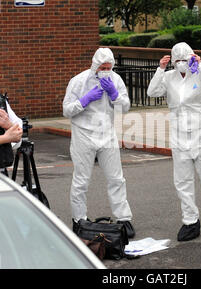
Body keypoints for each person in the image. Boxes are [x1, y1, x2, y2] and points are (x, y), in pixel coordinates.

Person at [147, 42, 201, 241]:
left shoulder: (200, 73)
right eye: (178, 60)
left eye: (185, 59)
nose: (182, 63)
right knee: (182, 181)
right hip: (180, 135)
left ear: (192, 57)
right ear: (173, 61)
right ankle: (190, 221)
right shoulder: (168, 76)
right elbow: (152, 92)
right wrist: (160, 69)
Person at [62, 48, 135, 238]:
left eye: (109, 67)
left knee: (116, 179)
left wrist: (114, 95)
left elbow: (125, 107)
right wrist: (84, 101)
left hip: (107, 134)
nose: (105, 70)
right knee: (81, 180)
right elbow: (67, 110)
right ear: (95, 65)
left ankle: (124, 218)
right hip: (83, 135)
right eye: (102, 67)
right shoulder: (78, 81)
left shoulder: (115, 80)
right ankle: (79, 220)